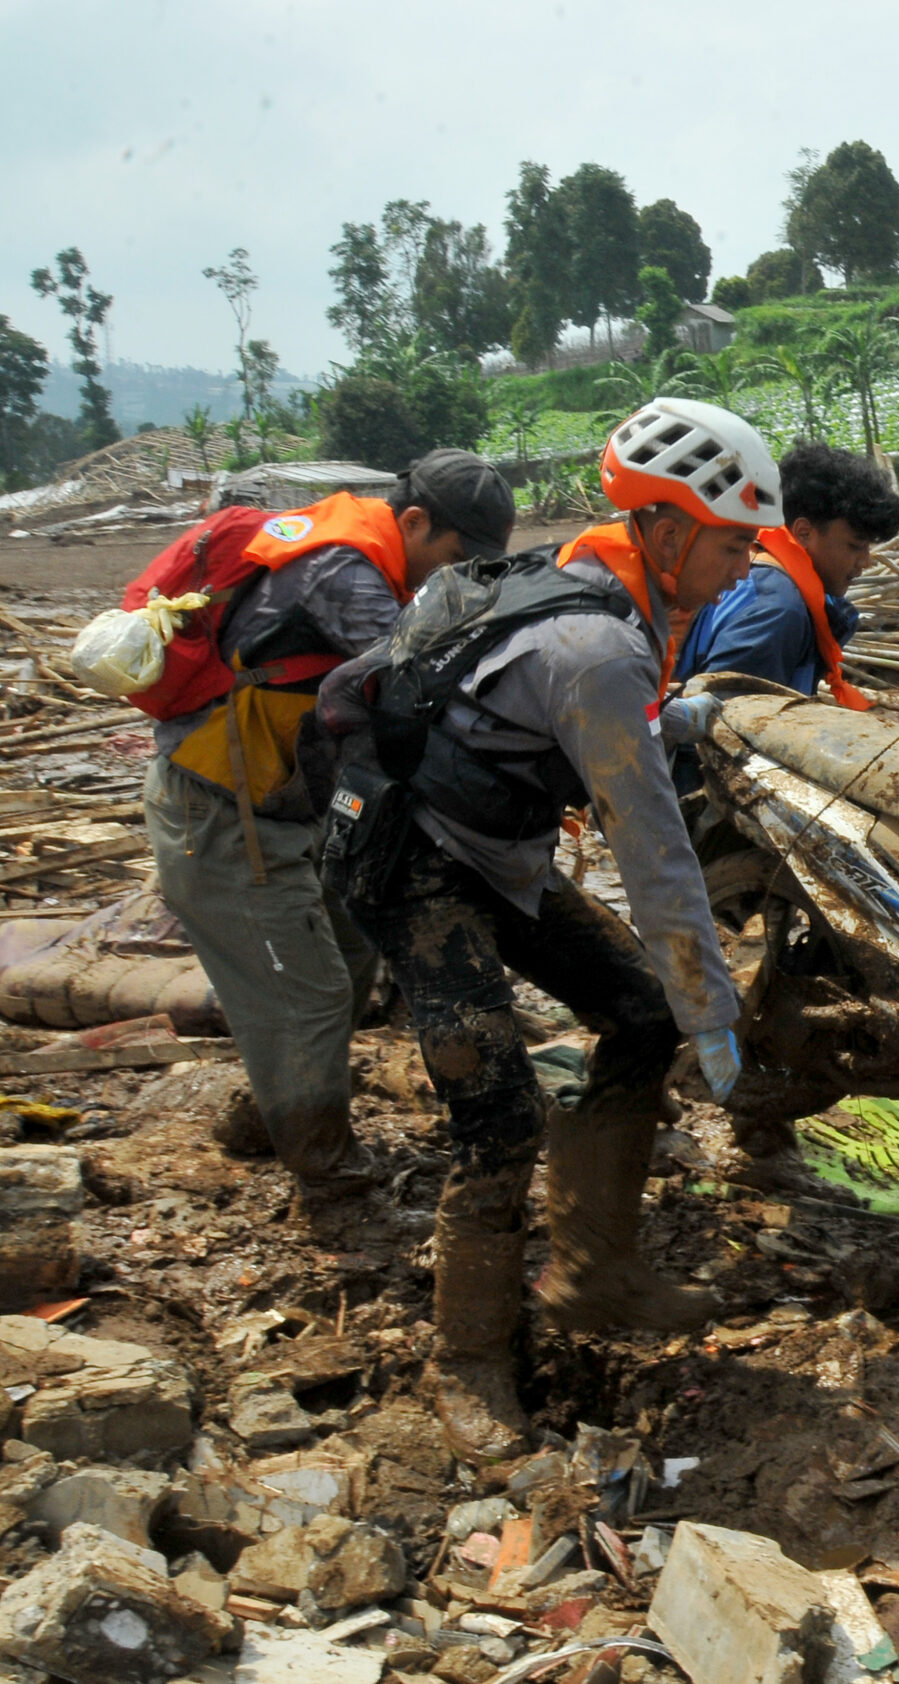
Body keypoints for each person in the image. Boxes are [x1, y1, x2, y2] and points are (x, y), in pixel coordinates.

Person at [318, 397, 766, 1465]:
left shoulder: (604, 580)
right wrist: (715, 1002)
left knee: (635, 1012)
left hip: (495, 845)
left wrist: (669, 720)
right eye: (735, 541)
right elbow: (654, 854)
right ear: (667, 531)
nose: (746, 565)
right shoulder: (599, 639)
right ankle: (466, 1359)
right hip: (414, 857)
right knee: (499, 1103)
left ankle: (593, 1267)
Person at [142, 451, 511, 1221]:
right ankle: (333, 1185)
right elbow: (421, 685)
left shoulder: (378, 560)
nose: (459, 580)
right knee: (305, 993)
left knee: (349, 954)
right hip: (219, 811)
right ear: (413, 523)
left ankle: (264, 1116)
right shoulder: (344, 569)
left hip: (288, 802)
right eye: (454, 560)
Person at [672, 441, 899, 706]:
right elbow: (730, 721)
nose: (865, 561)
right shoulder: (777, 610)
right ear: (804, 532)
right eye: (855, 546)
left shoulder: (762, 569)